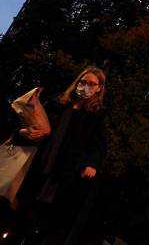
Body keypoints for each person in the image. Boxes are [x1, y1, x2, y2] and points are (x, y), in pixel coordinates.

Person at [12, 67, 107, 245]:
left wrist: (92, 163)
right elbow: (32, 125)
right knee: (20, 215)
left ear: (99, 88)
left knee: (42, 221)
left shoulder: (96, 116)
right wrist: (24, 132)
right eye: (83, 82)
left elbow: (98, 145)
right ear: (77, 83)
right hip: (39, 166)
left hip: (63, 174)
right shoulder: (59, 105)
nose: (86, 86)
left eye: (91, 84)